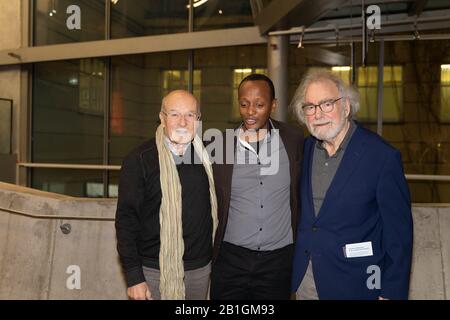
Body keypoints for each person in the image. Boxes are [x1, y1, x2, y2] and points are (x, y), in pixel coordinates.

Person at [290, 70, 413, 300]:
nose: (318, 114)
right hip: (307, 281)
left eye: (327, 104)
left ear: (346, 107)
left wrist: (390, 292)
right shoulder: (303, 151)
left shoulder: (382, 156)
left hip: (357, 284)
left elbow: (399, 234)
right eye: (310, 107)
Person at [115, 90, 218, 300]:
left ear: (198, 120)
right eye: (174, 114)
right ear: (162, 118)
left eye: (190, 115)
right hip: (154, 270)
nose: (182, 121)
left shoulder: (210, 157)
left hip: (200, 270)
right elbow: (126, 220)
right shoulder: (139, 160)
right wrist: (134, 277)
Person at [210, 74, 304, 300]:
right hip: (231, 259)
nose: (250, 111)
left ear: (273, 105)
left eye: (260, 104)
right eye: (244, 104)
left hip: (278, 262)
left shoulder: (293, 140)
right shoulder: (220, 145)